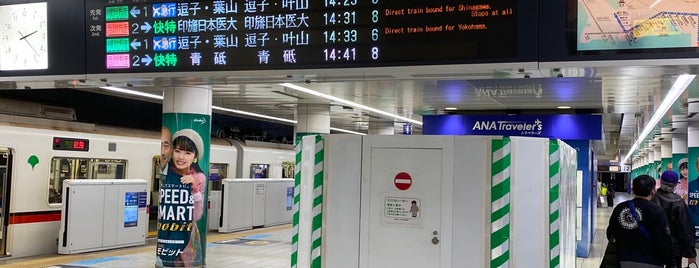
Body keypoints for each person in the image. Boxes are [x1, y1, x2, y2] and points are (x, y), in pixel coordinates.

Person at [157, 129, 206, 267]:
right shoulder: (165, 171)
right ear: (172, 151)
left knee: (176, 262)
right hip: (166, 226)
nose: (181, 157)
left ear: (195, 157)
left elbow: (196, 216)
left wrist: (194, 188)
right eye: (177, 151)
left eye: (187, 153)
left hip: (185, 231)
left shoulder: (199, 178)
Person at [606, 175, 673, 267]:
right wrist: (668, 260)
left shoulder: (620, 208)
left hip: (622, 260)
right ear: (653, 191)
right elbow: (663, 239)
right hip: (651, 261)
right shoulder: (657, 211)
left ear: (633, 190)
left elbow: (610, 233)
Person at [651, 170, 697, 268]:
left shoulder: (652, 199)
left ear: (661, 182)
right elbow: (685, 229)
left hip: (653, 245)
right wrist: (691, 253)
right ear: (675, 185)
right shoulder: (678, 203)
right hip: (673, 248)